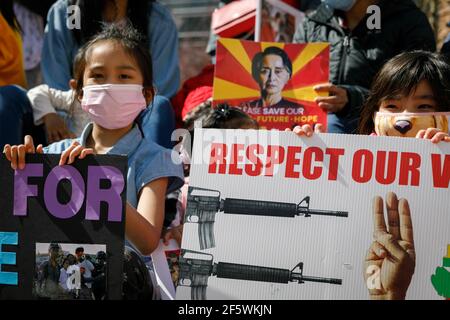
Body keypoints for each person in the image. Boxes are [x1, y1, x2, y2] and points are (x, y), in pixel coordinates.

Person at [4, 23, 184, 261]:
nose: (111, 86)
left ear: (147, 94)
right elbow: (22, 231)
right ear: (79, 92)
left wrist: (96, 180)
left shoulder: (155, 160)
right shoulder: (53, 155)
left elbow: (147, 242)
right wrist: (21, 171)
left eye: (124, 76)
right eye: (98, 76)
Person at [290, 50, 450, 299]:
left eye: (424, 107)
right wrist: (310, 148)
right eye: (392, 106)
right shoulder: (352, 164)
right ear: (376, 111)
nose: (404, 119)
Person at [293, 0, 436, 134]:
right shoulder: (311, 23)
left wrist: (352, 99)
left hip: (377, 124)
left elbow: (418, 91)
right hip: (310, 120)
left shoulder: (408, 21)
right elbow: (294, 83)